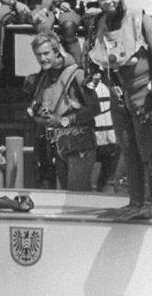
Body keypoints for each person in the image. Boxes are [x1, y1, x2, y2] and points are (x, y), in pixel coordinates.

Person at [88, 0, 152, 219]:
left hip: (143, 93)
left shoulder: (142, 20)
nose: (108, 2)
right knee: (127, 149)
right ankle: (135, 201)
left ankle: (150, 203)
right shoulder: (99, 25)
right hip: (117, 94)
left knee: (148, 150)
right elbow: (93, 56)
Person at [25, 33, 98, 191]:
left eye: (46, 53)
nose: (43, 58)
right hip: (58, 144)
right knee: (64, 194)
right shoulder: (43, 79)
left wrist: (63, 121)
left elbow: (94, 108)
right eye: (39, 55)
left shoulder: (77, 74)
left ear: (57, 52)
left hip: (80, 143)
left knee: (76, 197)